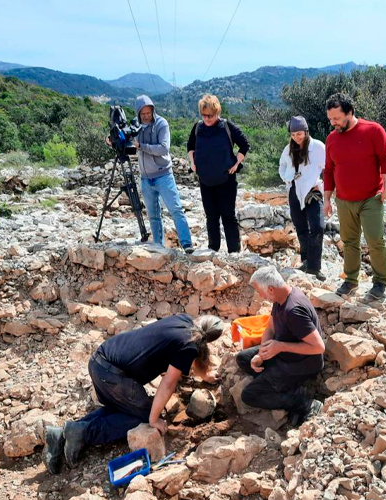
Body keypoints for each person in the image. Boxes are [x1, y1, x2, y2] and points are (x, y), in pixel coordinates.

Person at [42, 314, 224, 474]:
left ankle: (60, 434)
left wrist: (206, 374)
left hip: (101, 361)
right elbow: (168, 384)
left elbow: (192, 354)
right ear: (208, 341)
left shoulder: (184, 320)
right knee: (143, 416)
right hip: (112, 375)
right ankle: (84, 433)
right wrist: (153, 419)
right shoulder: (189, 345)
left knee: (124, 407)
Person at [323, 93, 386, 300]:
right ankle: (351, 280)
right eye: (330, 119)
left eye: (336, 118)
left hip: (370, 198)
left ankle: (380, 281)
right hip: (344, 200)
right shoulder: (332, 139)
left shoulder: (373, 130)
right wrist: (327, 199)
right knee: (349, 241)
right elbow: (329, 170)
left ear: (350, 112)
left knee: (374, 239)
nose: (333, 123)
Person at [236, 266, 324, 426]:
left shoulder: (294, 311)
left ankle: (304, 402)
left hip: (301, 363)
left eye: (260, 292)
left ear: (270, 289)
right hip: (283, 353)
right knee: (243, 358)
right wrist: (261, 354)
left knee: (249, 395)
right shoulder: (280, 297)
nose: (260, 296)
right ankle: (276, 382)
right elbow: (270, 328)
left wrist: (280, 346)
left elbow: (318, 347)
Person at [187, 94, 250, 253]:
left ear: (217, 112)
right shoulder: (197, 127)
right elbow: (190, 146)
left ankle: (234, 252)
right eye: (204, 115)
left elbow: (244, 145)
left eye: (210, 115)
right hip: (205, 180)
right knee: (211, 217)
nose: (207, 118)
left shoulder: (227, 126)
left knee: (228, 216)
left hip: (226, 180)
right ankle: (213, 250)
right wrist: (193, 163)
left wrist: (236, 163)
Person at [131, 95, 194, 253]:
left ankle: (187, 244)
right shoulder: (135, 125)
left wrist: (142, 146)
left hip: (163, 175)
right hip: (146, 178)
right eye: (142, 114)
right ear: (138, 113)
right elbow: (128, 143)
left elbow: (163, 148)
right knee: (153, 215)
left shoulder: (161, 124)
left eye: (148, 113)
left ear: (153, 110)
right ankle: (158, 246)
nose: (146, 116)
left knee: (175, 209)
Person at [279, 116, 326, 281]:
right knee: (300, 227)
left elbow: (329, 168)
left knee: (318, 227)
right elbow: (282, 166)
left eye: (299, 134)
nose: (296, 138)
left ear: (306, 131)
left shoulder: (318, 147)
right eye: (293, 135)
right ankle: (306, 261)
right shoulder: (288, 149)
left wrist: (323, 186)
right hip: (294, 191)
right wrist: (287, 179)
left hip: (313, 192)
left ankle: (315, 267)